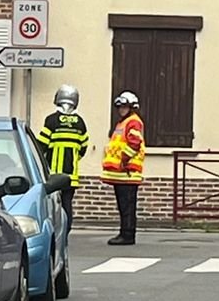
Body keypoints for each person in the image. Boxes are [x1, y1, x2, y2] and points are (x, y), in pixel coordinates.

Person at [33, 83, 91, 234]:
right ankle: (65, 232)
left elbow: (42, 145)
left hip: (53, 174)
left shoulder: (52, 120)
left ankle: (54, 233)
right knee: (67, 205)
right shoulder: (80, 123)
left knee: (52, 206)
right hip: (71, 175)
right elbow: (83, 147)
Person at [101, 90, 145, 246]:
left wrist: (124, 160)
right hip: (121, 173)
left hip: (128, 172)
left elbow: (134, 143)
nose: (121, 110)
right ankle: (124, 232)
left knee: (127, 206)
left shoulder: (133, 121)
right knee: (123, 206)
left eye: (124, 107)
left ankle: (127, 235)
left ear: (132, 107)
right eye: (119, 107)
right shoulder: (123, 122)